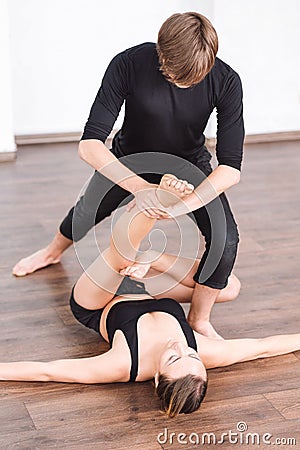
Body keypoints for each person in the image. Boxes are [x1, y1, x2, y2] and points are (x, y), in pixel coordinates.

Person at [12, 12, 245, 339]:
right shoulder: (129, 63)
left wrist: (182, 205)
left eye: (193, 79)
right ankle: (52, 252)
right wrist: (140, 189)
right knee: (85, 212)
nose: (185, 85)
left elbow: (230, 167)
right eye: (178, 77)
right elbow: (90, 144)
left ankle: (199, 319)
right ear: (161, 53)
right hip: (131, 157)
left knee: (227, 239)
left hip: (189, 163)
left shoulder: (226, 80)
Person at [3, 176, 300, 418]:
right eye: (191, 354)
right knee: (228, 286)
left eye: (173, 357)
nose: (180, 347)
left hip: (98, 302)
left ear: (157, 377)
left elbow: (47, 373)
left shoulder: (123, 365)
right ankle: (152, 253)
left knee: (120, 255)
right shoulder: (207, 354)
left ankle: (155, 202)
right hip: (145, 288)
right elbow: (263, 348)